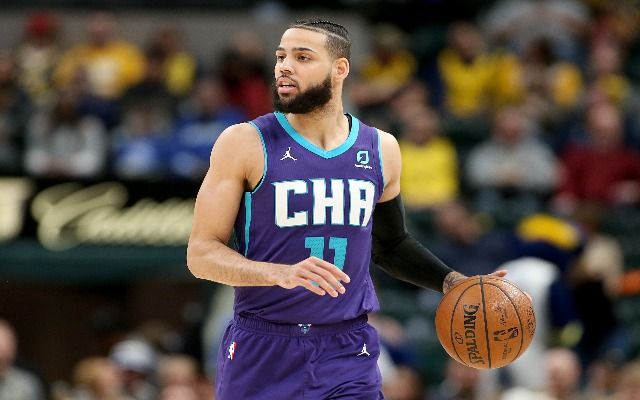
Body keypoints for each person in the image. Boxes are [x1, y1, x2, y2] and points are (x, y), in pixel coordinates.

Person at [186, 19, 505, 399]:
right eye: (281, 56)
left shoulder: (381, 148)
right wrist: (279, 273)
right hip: (264, 344)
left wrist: (452, 282)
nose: (285, 67)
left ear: (340, 69)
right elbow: (201, 254)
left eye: (303, 57)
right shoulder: (244, 142)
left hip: (348, 348)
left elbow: (390, 245)